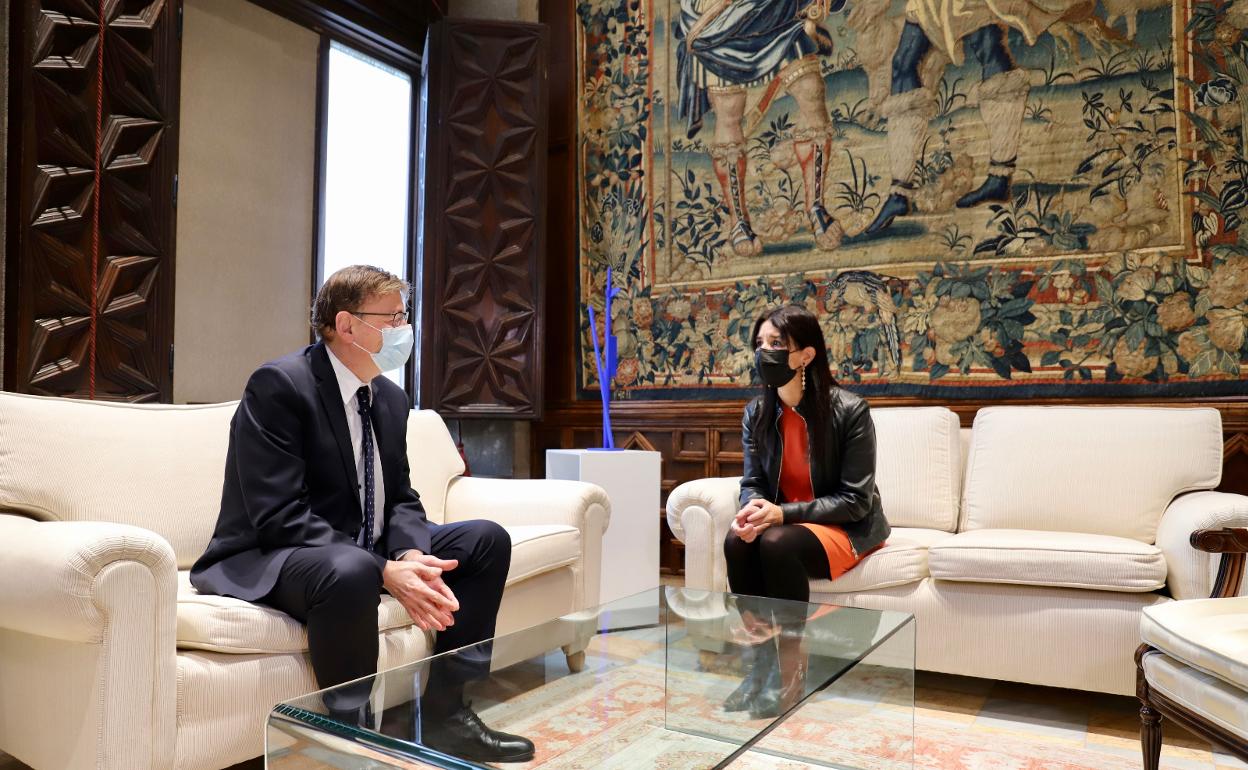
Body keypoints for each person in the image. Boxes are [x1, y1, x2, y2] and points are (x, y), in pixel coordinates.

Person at [190, 265, 533, 763]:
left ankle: (446, 715)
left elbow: (401, 498)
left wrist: (412, 552)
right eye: (392, 317)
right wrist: (385, 570)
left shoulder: (390, 399)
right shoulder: (280, 386)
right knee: (350, 568)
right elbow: (278, 513)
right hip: (278, 552)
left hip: (358, 549)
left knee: (483, 540)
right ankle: (348, 738)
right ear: (347, 325)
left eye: (404, 315)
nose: (404, 329)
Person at [723, 304, 890, 718]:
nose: (765, 353)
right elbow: (753, 483)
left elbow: (855, 500)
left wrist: (779, 515)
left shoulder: (850, 410)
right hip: (792, 522)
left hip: (844, 525)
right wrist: (750, 512)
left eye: (777, 344)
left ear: (806, 356)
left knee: (777, 542)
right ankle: (756, 670)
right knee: (737, 541)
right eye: (760, 344)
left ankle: (790, 674)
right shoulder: (757, 413)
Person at [675, 0, 848, 254]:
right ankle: (738, 222)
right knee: (729, 109)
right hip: (720, 20)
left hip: (777, 11)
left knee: (810, 88)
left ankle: (816, 206)